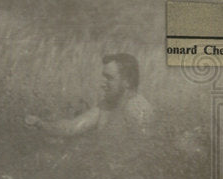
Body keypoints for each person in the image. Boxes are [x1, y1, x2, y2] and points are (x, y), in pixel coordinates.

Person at [24, 53, 152, 137]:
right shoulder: (106, 106)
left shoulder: (138, 110)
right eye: (104, 77)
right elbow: (71, 128)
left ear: (127, 81)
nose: (103, 84)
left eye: (109, 78)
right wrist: (40, 123)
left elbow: (142, 155)